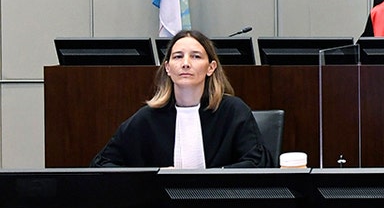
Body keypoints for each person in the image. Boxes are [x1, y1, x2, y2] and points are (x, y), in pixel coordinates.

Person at [91, 30, 268, 168]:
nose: (185, 63)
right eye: (177, 56)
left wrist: (213, 177)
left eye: (196, 56)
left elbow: (258, 163)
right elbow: (101, 164)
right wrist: (154, 177)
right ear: (168, 68)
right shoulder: (148, 118)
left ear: (211, 67)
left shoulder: (233, 111)